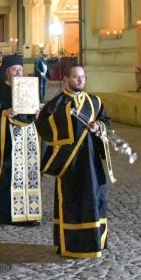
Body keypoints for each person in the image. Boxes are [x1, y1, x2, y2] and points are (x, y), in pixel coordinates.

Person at [37, 64, 111, 258]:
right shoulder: (56, 104)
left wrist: (100, 127)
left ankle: (96, 242)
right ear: (66, 79)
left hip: (92, 163)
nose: (80, 80)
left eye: (83, 77)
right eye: (76, 77)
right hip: (70, 164)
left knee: (95, 200)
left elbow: (107, 122)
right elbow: (44, 127)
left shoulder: (94, 101)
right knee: (72, 202)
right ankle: (71, 245)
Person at [0, 54, 42, 224]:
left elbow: (33, 112)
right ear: (6, 72)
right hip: (5, 142)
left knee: (27, 175)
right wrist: (4, 113)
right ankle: (3, 214)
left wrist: (36, 112)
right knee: (7, 175)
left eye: (20, 69)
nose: (18, 72)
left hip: (26, 141)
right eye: (14, 69)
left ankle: (28, 213)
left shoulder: (28, 87)